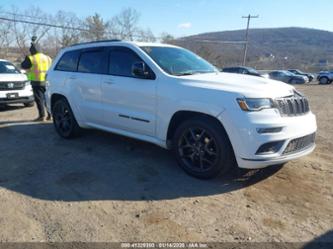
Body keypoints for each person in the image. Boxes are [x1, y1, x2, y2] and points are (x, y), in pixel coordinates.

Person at [21, 42, 52, 121]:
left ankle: (42, 116)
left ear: (32, 50)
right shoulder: (48, 58)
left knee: (39, 100)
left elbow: (23, 65)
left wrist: (26, 58)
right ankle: (50, 115)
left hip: (37, 82)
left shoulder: (31, 58)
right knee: (47, 99)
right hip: (48, 82)